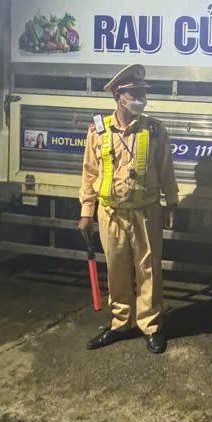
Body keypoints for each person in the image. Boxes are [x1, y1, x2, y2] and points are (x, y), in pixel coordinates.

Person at [77, 64, 180, 354]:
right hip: (110, 213)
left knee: (148, 270)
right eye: (134, 92)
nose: (140, 97)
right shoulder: (98, 130)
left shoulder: (155, 129)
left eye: (142, 92)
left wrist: (171, 202)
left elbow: (166, 170)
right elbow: (89, 172)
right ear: (118, 96)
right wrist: (86, 212)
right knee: (117, 271)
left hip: (146, 212)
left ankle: (151, 325)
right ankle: (120, 323)